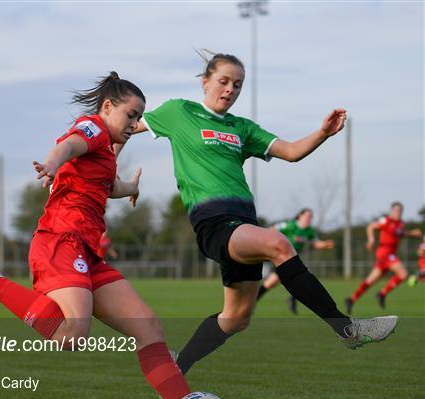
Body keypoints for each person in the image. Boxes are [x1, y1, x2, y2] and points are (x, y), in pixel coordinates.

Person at [0, 72, 252, 399]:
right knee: (71, 333)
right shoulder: (93, 128)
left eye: (139, 117)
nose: (135, 124)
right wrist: (53, 163)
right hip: (59, 241)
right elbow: (70, 145)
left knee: (148, 328)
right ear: (108, 107)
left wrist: (129, 187)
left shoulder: (104, 153)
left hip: (86, 251)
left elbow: (107, 185)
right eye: (131, 115)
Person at [126, 51, 397, 376]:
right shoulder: (179, 111)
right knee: (279, 243)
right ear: (205, 82)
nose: (230, 89)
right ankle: (346, 328)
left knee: (236, 319)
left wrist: (322, 133)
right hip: (214, 224)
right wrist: (112, 175)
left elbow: (292, 152)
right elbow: (123, 128)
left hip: (242, 226)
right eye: (223, 81)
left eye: (237, 85)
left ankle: (176, 368)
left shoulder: (242, 127)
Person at [346, 202, 422, 312]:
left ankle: (352, 299)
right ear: (391, 211)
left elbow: (400, 233)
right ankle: (382, 293)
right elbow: (371, 226)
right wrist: (371, 239)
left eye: (400, 211)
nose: (398, 213)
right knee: (403, 274)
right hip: (385, 252)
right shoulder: (386, 220)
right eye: (396, 210)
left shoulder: (400, 224)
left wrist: (412, 233)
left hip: (389, 254)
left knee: (370, 281)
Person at [256, 208, 334, 314]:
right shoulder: (291, 225)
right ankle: (250, 304)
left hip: (292, 260)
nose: (309, 219)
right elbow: (272, 229)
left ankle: (291, 299)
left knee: (296, 281)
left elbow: (315, 243)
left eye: (311, 217)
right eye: (307, 216)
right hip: (280, 258)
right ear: (300, 216)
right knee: (272, 283)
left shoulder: (309, 231)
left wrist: (325, 244)